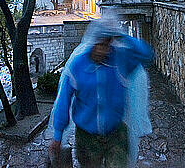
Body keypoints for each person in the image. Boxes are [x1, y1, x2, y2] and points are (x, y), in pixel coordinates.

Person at [48, 18, 153, 168]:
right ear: (92, 42)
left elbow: (147, 54)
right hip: (87, 138)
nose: (103, 50)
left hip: (115, 133)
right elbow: (63, 101)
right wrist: (57, 135)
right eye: (100, 44)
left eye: (107, 44)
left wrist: (121, 35)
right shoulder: (77, 67)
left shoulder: (119, 61)